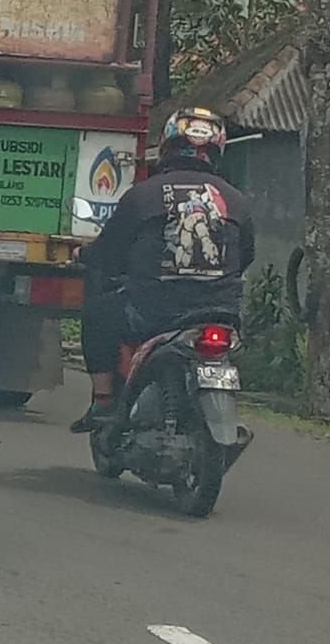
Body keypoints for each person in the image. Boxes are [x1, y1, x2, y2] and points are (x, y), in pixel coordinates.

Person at [69, 107, 256, 433]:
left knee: (98, 312)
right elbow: (246, 256)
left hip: (155, 314)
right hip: (221, 314)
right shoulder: (236, 200)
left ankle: (102, 400)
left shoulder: (143, 195)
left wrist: (85, 255)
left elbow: (108, 252)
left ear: (168, 145)